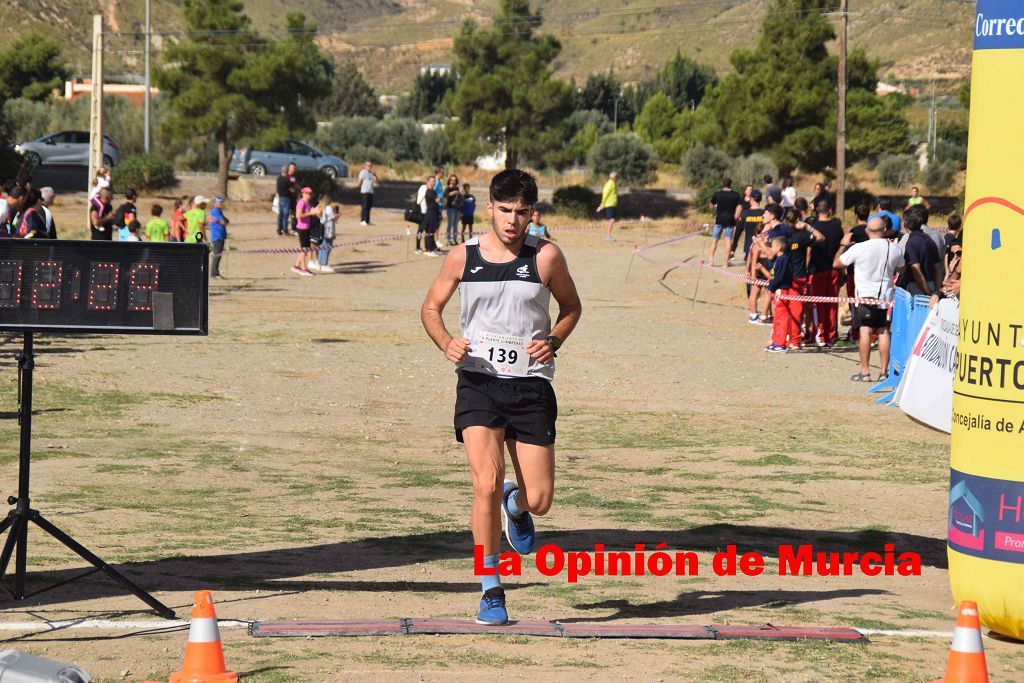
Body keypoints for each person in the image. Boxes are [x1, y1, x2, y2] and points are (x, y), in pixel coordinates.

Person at [420, 169, 582, 626]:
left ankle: (517, 506)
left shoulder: (547, 257)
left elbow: (572, 308)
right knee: (484, 482)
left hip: (530, 385)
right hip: (478, 381)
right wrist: (447, 341)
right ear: (489, 207)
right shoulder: (462, 255)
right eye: (505, 210)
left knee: (541, 498)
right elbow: (430, 308)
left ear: (534, 213)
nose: (513, 221)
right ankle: (491, 587)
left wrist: (553, 339)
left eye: (523, 212)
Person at [834, 215, 906, 381]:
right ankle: (883, 371)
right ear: (885, 231)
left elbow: (837, 263)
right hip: (885, 297)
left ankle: (865, 371)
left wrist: (842, 246)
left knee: (865, 330)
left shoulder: (859, 248)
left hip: (864, 296)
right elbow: (902, 269)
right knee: (883, 331)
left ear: (867, 230)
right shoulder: (894, 248)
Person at [807, 198, 845, 346]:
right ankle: (831, 334)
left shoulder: (813, 227)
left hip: (817, 269)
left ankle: (820, 335)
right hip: (834, 268)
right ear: (830, 210)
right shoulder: (837, 227)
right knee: (832, 302)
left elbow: (809, 250)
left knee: (818, 303)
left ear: (817, 210)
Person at [897, 207, 942, 297]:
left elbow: (916, 269)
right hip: (931, 283)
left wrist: (927, 292)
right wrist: (936, 291)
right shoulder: (929, 240)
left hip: (917, 287)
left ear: (905, 224)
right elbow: (938, 268)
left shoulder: (911, 242)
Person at [707, 178, 742, 267]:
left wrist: (716, 206)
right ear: (731, 184)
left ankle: (711, 261)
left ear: (723, 184)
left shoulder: (717, 193)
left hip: (719, 219)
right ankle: (726, 262)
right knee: (728, 240)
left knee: (715, 240)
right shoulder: (736, 194)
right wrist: (737, 218)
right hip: (730, 220)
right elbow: (739, 207)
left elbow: (711, 205)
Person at [291, 187, 321, 275]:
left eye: (310, 193)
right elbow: (298, 215)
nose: (309, 195)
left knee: (304, 248)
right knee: (305, 249)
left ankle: (296, 265)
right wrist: (311, 213)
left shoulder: (307, 203)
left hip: (307, 227)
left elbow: (309, 212)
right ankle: (303, 268)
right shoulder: (301, 202)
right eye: (307, 193)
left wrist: (314, 212)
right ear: (303, 193)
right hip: (302, 228)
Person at [730, 189, 763, 264]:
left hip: (749, 245)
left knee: (750, 270)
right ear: (760, 199)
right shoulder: (764, 214)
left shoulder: (745, 213)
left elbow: (740, 228)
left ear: (751, 199)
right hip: (761, 246)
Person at [416, 176, 442, 257]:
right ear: (428, 182)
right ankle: (427, 249)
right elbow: (435, 200)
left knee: (431, 231)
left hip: (433, 213)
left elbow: (438, 200)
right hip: (428, 213)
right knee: (427, 232)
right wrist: (437, 200)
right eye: (431, 181)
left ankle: (432, 248)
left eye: (434, 181)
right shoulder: (427, 190)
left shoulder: (433, 191)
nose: (433, 183)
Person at [316, 197, 338, 273]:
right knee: (327, 245)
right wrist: (338, 215)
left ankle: (319, 263)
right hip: (328, 227)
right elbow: (332, 218)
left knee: (323, 244)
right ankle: (324, 264)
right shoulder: (328, 208)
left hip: (322, 226)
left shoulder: (320, 207)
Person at [209, 196, 229, 278]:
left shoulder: (219, 211)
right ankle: (213, 273)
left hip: (221, 235)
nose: (221, 203)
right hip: (217, 236)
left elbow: (226, 221)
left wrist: (224, 221)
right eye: (220, 202)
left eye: (222, 202)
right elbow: (223, 221)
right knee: (216, 255)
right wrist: (224, 221)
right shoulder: (215, 211)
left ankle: (216, 272)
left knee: (219, 255)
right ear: (215, 203)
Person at [276, 163, 296, 236]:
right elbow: (291, 189)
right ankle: (285, 230)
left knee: (280, 214)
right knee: (285, 215)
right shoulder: (287, 180)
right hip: (286, 199)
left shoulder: (279, 178)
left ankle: (279, 229)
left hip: (280, 198)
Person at [598, 171, 618, 241]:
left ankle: (607, 235)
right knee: (612, 220)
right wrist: (602, 203)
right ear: (613, 177)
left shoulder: (613, 183)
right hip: (610, 204)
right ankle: (608, 236)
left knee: (610, 220)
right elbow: (605, 194)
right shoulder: (610, 184)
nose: (617, 178)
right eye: (616, 177)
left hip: (612, 204)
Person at [445, 174, 463, 247]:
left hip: (457, 208)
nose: (453, 181)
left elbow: (460, 198)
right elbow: (445, 195)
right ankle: (449, 239)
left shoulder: (458, 188)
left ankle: (455, 239)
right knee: (450, 223)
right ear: (449, 180)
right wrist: (452, 193)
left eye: (454, 180)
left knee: (455, 224)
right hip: (450, 208)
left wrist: (460, 193)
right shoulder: (447, 188)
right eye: (452, 180)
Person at [358, 161, 378, 226]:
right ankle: (363, 220)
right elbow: (359, 182)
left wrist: (375, 175)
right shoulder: (363, 172)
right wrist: (362, 188)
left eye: (370, 165)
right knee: (365, 206)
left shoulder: (371, 173)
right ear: (365, 166)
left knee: (369, 206)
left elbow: (377, 181)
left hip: (370, 191)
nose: (369, 167)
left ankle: (367, 220)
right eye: (368, 165)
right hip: (365, 191)